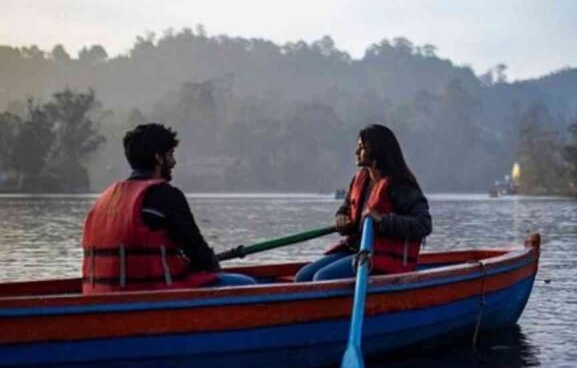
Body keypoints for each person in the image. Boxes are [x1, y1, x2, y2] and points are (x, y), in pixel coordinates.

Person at [81, 123, 255, 294]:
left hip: (101, 294)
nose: (174, 162)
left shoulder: (106, 198)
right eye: (171, 154)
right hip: (154, 293)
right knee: (248, 284)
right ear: (158, 157)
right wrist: (213, 268)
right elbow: (198, 253)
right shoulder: (165, 195)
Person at [295, 124, 431, 282]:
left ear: (376, 150)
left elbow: (424, 224)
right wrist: (341, 217)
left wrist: (382, 220)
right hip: (356, 250)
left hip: (382, 258)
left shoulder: (400, 185)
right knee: (302, 277)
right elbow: (345, 208)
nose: (356, 152)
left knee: (322, 278)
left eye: (361, 148)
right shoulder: (360, 179)